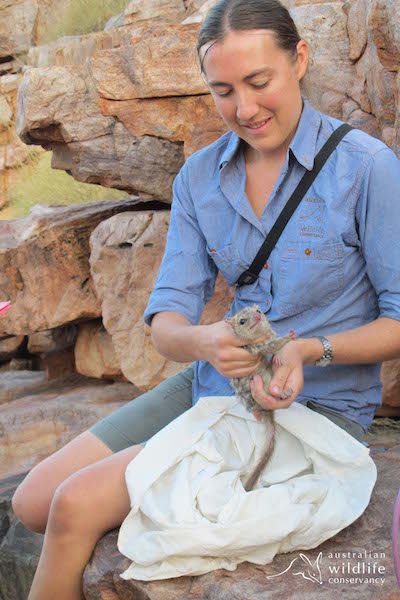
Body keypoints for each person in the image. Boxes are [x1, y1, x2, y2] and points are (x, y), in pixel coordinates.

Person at [12, 1, 400, 598]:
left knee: (73, 508)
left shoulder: (366, 168)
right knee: (34, 501)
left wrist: (307, 351)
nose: (244, 109)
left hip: (312, 409)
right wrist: (205, 342)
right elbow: (168, 325)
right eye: (223, 90)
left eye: (258, 82)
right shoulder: (198, 177)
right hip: (213, 382)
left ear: (298, 60)